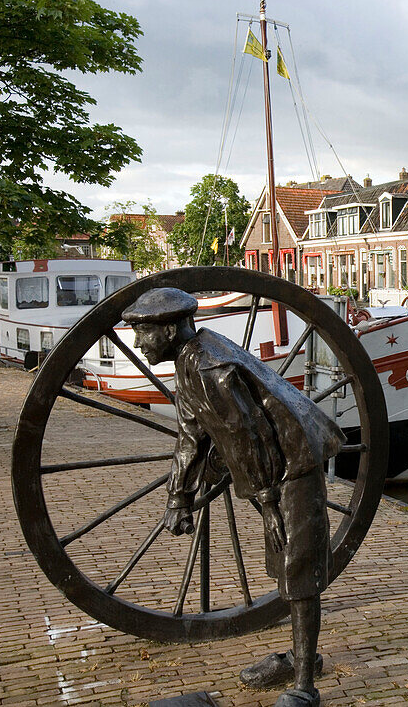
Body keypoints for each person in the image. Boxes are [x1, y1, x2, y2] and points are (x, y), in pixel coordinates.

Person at [122, 287, 343, 707]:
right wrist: (178, 497)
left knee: (299, 569)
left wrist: (267, 501)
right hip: (275, 463)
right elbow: (191, 433)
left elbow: (249, 434)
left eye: (143, 332)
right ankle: (302, 659)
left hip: (294, 458)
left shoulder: (207, 366)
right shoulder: (189, 362)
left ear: (168, 330)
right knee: (285, 563)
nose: (138, 342)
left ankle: (304, 688)